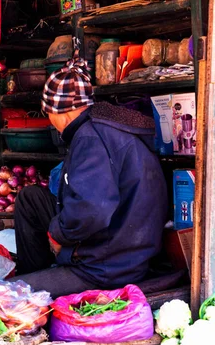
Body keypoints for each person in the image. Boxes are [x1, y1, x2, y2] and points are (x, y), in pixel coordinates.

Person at [14, 53, 168, 298]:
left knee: (7, 293)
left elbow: (92, 209)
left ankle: (44, 282)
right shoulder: (101, 125)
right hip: (127, 245)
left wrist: (58, 235)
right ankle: (44, 272)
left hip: (109, 265)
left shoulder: (90, 138)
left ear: (58, 112)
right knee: (31, 198)